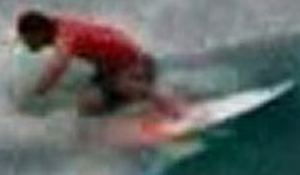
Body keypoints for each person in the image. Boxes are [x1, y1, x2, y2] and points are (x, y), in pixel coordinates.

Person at [14, 9, 185, 118]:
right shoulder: (56, 25)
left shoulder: (65, 38)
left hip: (137, 66)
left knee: (120, 85)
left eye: (28, 39)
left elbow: (58, 66)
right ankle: (125, 115)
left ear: (39, 32)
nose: (27, 44)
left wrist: (38, 93)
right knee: (87, 104)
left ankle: (172, 107)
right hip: (113, 68)